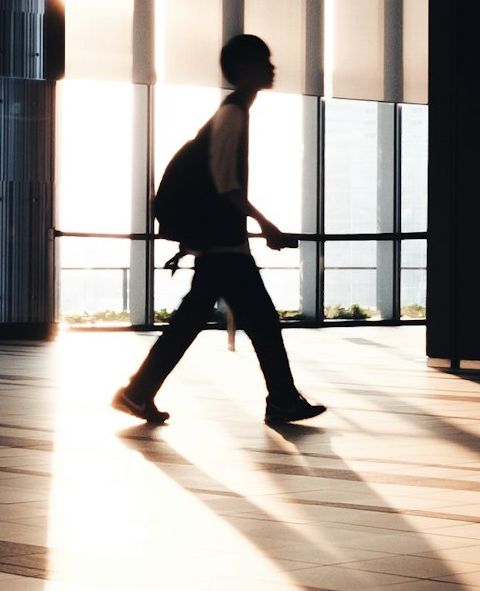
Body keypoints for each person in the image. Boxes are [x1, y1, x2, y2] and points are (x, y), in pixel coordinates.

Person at [119, 33, 325, 431]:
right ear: (245, 69)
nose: (272, 66)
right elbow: (225, 182)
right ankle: (281, 400)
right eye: (264, 60)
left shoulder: (234, 112)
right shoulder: (232, 114)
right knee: (260, 321)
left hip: (220, 242)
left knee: (195, 321)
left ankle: (139, 391)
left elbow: (222, 182)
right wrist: (266, 224)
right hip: (223, 243)